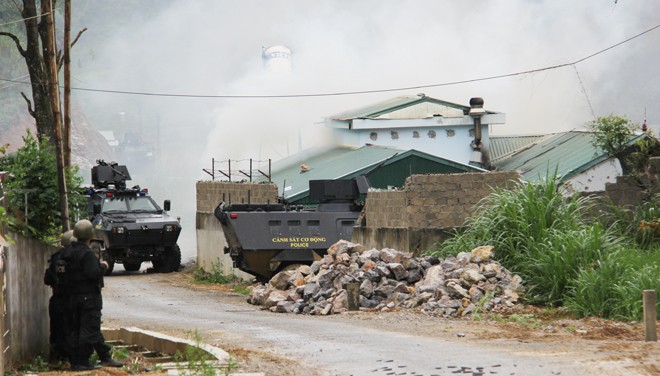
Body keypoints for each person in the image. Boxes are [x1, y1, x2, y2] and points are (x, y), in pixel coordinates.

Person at [63, 219, 123, 370]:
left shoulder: (67, 252)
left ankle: (78, 360)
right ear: (90, 234)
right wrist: (103, 267)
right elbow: (93, 273)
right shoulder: (86, 253)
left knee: (76, 329)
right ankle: (83, 361)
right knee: (89, 329)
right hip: (89, 297)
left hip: (72, 296)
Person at [44, 230, 75, 362]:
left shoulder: (56, 257)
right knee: (71, 329)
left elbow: (47, 279)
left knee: (56, 330)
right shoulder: (75, 257)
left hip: (57, 299)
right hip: (71, 300)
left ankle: (56, 357)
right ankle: (70, 358)